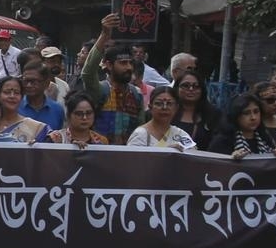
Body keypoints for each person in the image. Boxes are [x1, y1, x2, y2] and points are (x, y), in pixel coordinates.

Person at [83, 14, 144, 145]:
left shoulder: (137, 94)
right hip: (100, 155)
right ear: (109, 65)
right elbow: (87, 73)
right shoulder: (100, 90)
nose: (128, 67)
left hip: (128, 157)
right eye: (123, 63)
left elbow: (142, 130)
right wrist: (104, 35)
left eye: (130, 63)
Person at [207, 93, 276, 159]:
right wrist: (231, 159)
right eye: (246, 113)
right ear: (236, 116)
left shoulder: (264, 138)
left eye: (256, 111)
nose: (253, 117)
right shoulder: (222, 141)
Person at [127, 86, 196, 151]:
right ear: (150, 107)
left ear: (176, 108)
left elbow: (193, 158)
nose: (164, 108)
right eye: (159, 103)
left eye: (169, 103)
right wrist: (165, 153)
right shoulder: (140, 134)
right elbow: (133, 161)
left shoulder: (180, 134)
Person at [0, 76, 50, 143]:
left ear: (22, 97)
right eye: (7, 92)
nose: (12, 96)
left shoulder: (36, 128)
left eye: (17, 93)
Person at [171, 71, 217, 151]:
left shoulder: (214, 115)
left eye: (196, 86)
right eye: (185, 85)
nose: (191, 89)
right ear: (177, 88)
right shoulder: (166, 111)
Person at [18, 61, 63, 130]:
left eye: (34, 81)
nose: (29, 85)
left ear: (46, 83)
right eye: (25, 81)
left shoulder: (57, 110)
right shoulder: (15, 107)